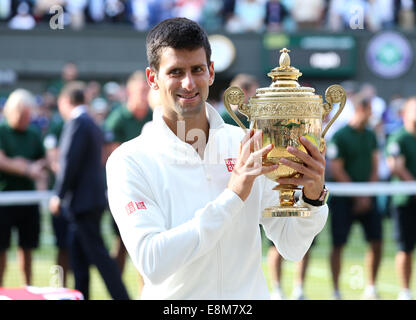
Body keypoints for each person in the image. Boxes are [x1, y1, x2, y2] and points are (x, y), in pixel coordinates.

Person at [106, 17, 328, 300]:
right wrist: (233, 195)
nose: (188, 83)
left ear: (211, 72)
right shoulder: (129, 160)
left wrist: (312, 198)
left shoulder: (247, 143)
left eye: (197, 69)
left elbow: (292, 246)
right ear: (153, 78)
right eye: (175, 72)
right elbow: (153, 262)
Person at [48, 82, 129, 300]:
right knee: (79, 258)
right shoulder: (91, 123)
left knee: (99, 257)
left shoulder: (77, 123)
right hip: (89, 200)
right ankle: (81, 295)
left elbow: (69, 162)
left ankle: (122, 298)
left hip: (83, 202)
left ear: (65, 101)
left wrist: (58, 194)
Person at [326, 95, 382, 300]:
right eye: (370, 110)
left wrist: (366, 194)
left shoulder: (371, 135)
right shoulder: (340, 135)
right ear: (361, 109)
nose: (372, 115)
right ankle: (336, 290)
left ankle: (371, 287)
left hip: (367, 197)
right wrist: (358, 195)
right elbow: (337, 169)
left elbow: (375, 165)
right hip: (344, 199)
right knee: (338, 244)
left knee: (376, 241)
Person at [104, 70, 153, 277]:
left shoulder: (156, 116)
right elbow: (112, 157)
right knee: (121, 243)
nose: (144, 95)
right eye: (140, 90)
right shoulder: (118, 119)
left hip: (152, 189)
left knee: (150, 247)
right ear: (130, 91)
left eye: (146, 90)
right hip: (126, 190)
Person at [0, 89, 47, 286]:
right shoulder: (2, 131)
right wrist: (25, 168)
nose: (24, 118)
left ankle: (28, 289)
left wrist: (33, 167)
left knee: (27, 247)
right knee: (1, 249)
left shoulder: (33, 133)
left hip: (28, 198)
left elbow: (43, 159)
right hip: (4, 198)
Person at [385, 97, 416, 300]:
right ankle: (405, 291)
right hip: (405, 200)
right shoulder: (399, 138)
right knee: (405, 247)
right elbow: (395, 166)